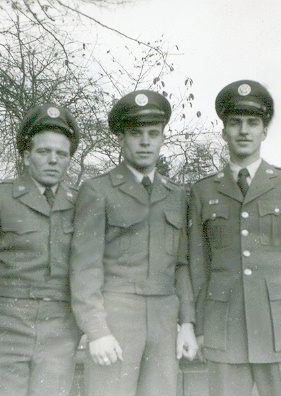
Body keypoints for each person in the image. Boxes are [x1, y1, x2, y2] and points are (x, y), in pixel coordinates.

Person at [189, 80, 281, 396]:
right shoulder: (203, 191)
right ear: (224, 131)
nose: (244, 131)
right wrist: (199, 328)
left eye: (253, 123)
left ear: (264, 131)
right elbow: (199, 268)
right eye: (235, 123)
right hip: (225, 331)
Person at [71, 90, 198, 396]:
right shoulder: (98, 190)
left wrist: (189, 324)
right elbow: (84, 267)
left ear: (162, 139)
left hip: (164, 323)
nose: (145, 141)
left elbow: (181, 265)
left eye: (153, 134)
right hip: (116, 320)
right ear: (121, 140)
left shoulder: (177, 195)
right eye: (135, 133)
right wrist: (96, 330)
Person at [0, 103, 81, 396]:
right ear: (26, 156)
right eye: (43, 152)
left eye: (61, 154)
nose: (53, 160)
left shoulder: (79, 205)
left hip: (58, 332)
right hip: (2, 329)